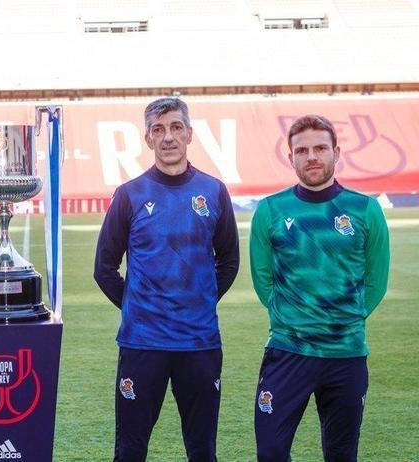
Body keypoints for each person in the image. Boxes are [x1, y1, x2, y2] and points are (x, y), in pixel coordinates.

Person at [94, 97, 240, 461]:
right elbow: (104, 268)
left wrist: (199, 300)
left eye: (175, 127)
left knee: (202, 451)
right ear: (148, 139)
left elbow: (229, 261)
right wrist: (139, 306)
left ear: (189, 133)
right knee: (130, 451)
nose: (168, 137)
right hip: (143, 343)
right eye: (158, 130)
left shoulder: (213, 191)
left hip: (199, 342)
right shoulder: (129, 195)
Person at [250, 115, 390, 461]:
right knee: (270, 451)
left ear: (336, 152)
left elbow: (376, 281)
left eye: (320, 148)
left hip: (346, 354)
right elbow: (263, 280)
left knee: (341, 454)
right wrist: (293, 317)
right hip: (288, 350)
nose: (311, 156)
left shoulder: (366, 209)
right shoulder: (270, 210)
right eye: (302, 150)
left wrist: (345, 319)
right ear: (291, 158)